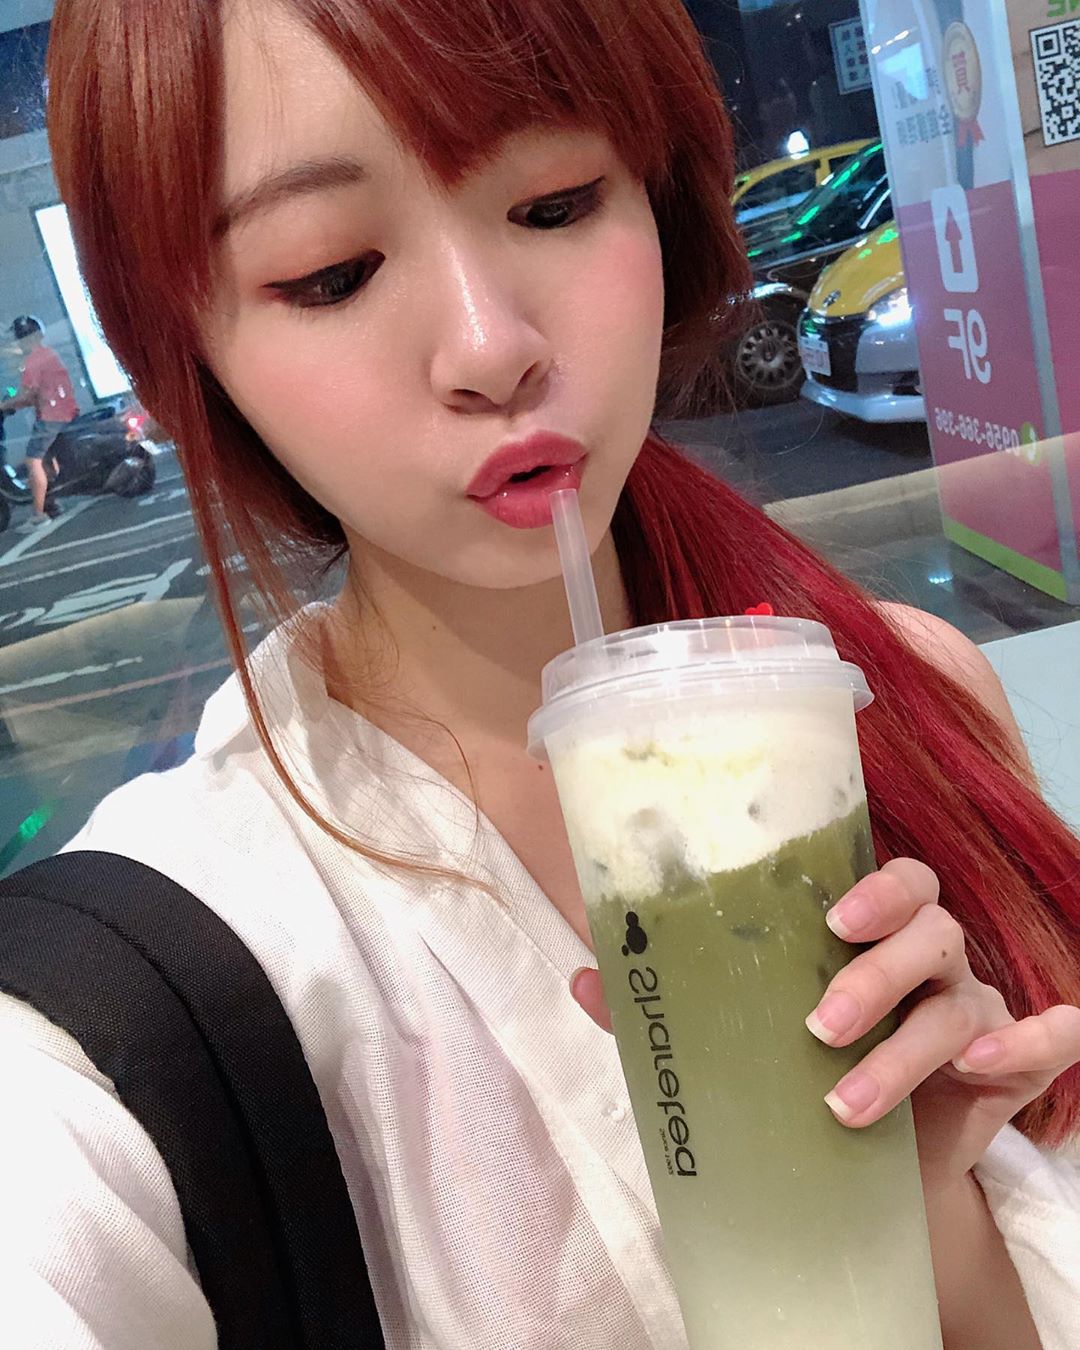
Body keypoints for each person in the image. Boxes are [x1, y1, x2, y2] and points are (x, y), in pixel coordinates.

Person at [2, 1, 1079, 1347]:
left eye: (557, 203)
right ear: (190, 365)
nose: (492, 346)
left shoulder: (915, 697)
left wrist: (922, 1228)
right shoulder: (138, 1004)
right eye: (331, 273)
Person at [0, 314, 77, 531]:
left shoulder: (33, 361)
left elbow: (27, 395)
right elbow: (20, 390)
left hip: (52, 415)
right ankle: (50, 502)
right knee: (46, 460)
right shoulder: (46, 354)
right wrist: (10, 397)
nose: (16, 343)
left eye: (18, 338)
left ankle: (39, 515)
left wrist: (5, 404)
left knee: (32, 461)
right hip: (61, 411)